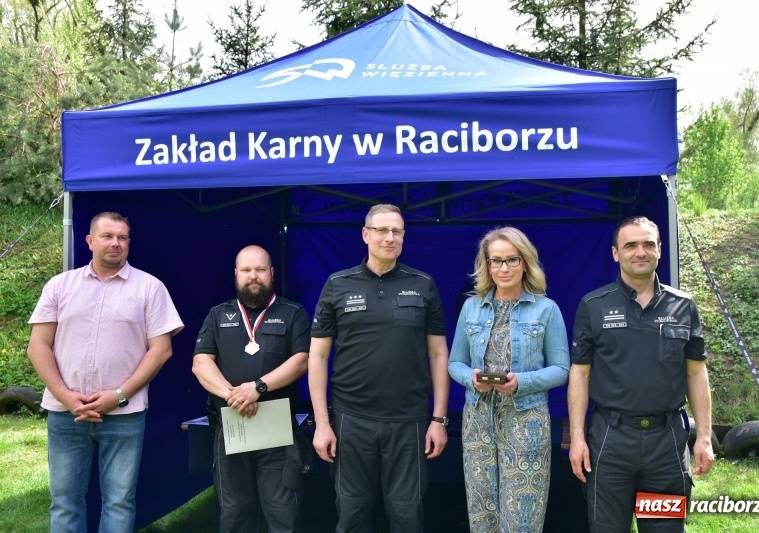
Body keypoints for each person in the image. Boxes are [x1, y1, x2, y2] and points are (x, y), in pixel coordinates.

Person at [27, 211, 184, 533]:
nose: (116, 243)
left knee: (119, 502)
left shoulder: (149, 288)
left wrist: (119, 395)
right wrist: (65, 397)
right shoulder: (60, 286)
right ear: (89, 241)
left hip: (124, 414)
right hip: (66, 414)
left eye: (122, 238)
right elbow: (38, 347)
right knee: (64, 501)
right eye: (108, 236)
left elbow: (162, 349)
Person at [308, 204, 450, 533]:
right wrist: (322, 424)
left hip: (409, 419)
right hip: (350, 419)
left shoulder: (423, 284)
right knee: (352, 512)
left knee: (407, 514)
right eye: (383, 230)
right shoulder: (337, 284)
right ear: (365, 234)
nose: (390, 238)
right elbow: (317, 357)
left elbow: (438, 354)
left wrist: (438, 419)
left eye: (397, 231)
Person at [568, 216, 715, 533]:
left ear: (660, 249)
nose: (640, 251)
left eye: (648, 244)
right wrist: (578, 438)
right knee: (608, 528)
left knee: (664, 528)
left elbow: (695, 372)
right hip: (610, 440)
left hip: (667, 444)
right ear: (615, 253)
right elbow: (579, 375)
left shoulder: (683, 306)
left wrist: (704, 436)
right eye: (630, 245)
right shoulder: (593, 306)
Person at [448, 226, 570, 533]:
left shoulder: (547, 309)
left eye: (511, 260)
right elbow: (454, 363)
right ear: (486, 265)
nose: (504, 268)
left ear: (525, 262)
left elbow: (561, 369)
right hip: (478, 419)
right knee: (482, 512)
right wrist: (470, 377)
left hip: (526, 420)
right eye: (496, 261)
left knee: (522, 517)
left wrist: (521, 382)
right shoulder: (471, 307)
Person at [192, 245, 311, 533]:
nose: (253, 276)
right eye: (246, 270)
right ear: (236, 274)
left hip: (276, 430)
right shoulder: (218, 315)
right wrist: (233, 396)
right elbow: (200, 363)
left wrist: (258, 388)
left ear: (271, 273)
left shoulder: (293, 313)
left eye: (259, 270)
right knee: (234, 512)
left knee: (282, 512)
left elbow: (302, 360)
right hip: (233, 426)